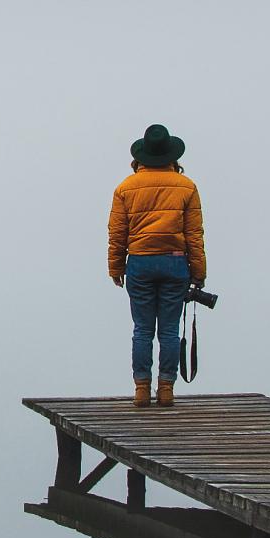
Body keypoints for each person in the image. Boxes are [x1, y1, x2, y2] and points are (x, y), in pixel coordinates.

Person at [107, 123, 207, 406]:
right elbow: (194, 235)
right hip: (175, 264)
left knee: (142, 329)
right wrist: (198, 271)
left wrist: (116, 267)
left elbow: (117, 233)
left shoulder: (125, 188)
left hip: (139, 262)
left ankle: (141, 389)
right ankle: (166, 389)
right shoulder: (187, 187)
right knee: (169, 330)